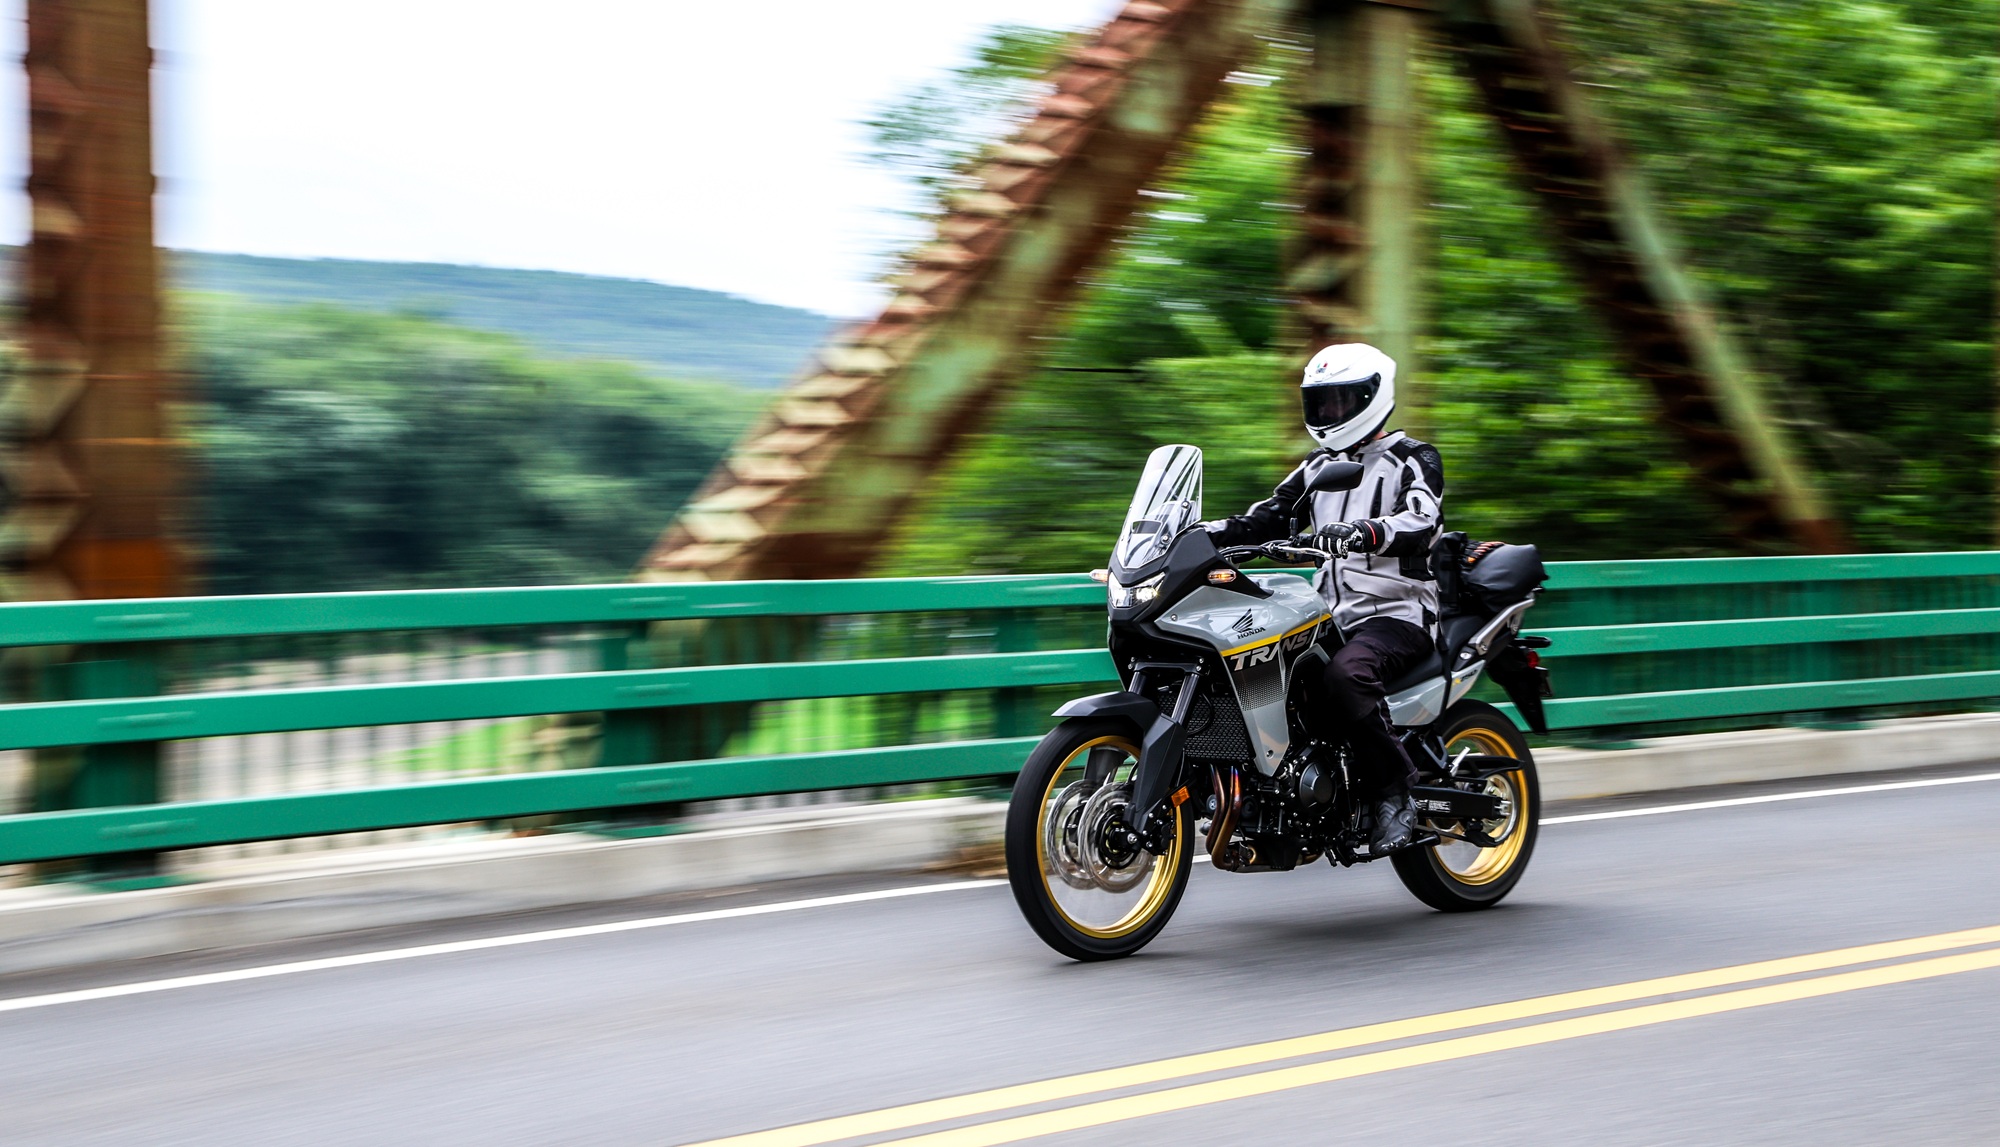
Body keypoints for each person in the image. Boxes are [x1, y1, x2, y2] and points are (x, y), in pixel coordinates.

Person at [1204, 343, 1442, 853]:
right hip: (1333, 615)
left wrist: (1368, 533)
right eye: (1321, 403)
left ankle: (1397, 792)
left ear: (1371, 398)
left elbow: (1423, 518)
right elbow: (1264, 518)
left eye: (1340, 402)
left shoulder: (1411, 458)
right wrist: (1197, 535)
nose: (1330, 414)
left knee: (1344, 676)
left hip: (1397, 612)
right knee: (1261, 670)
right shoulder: (1317, 467)